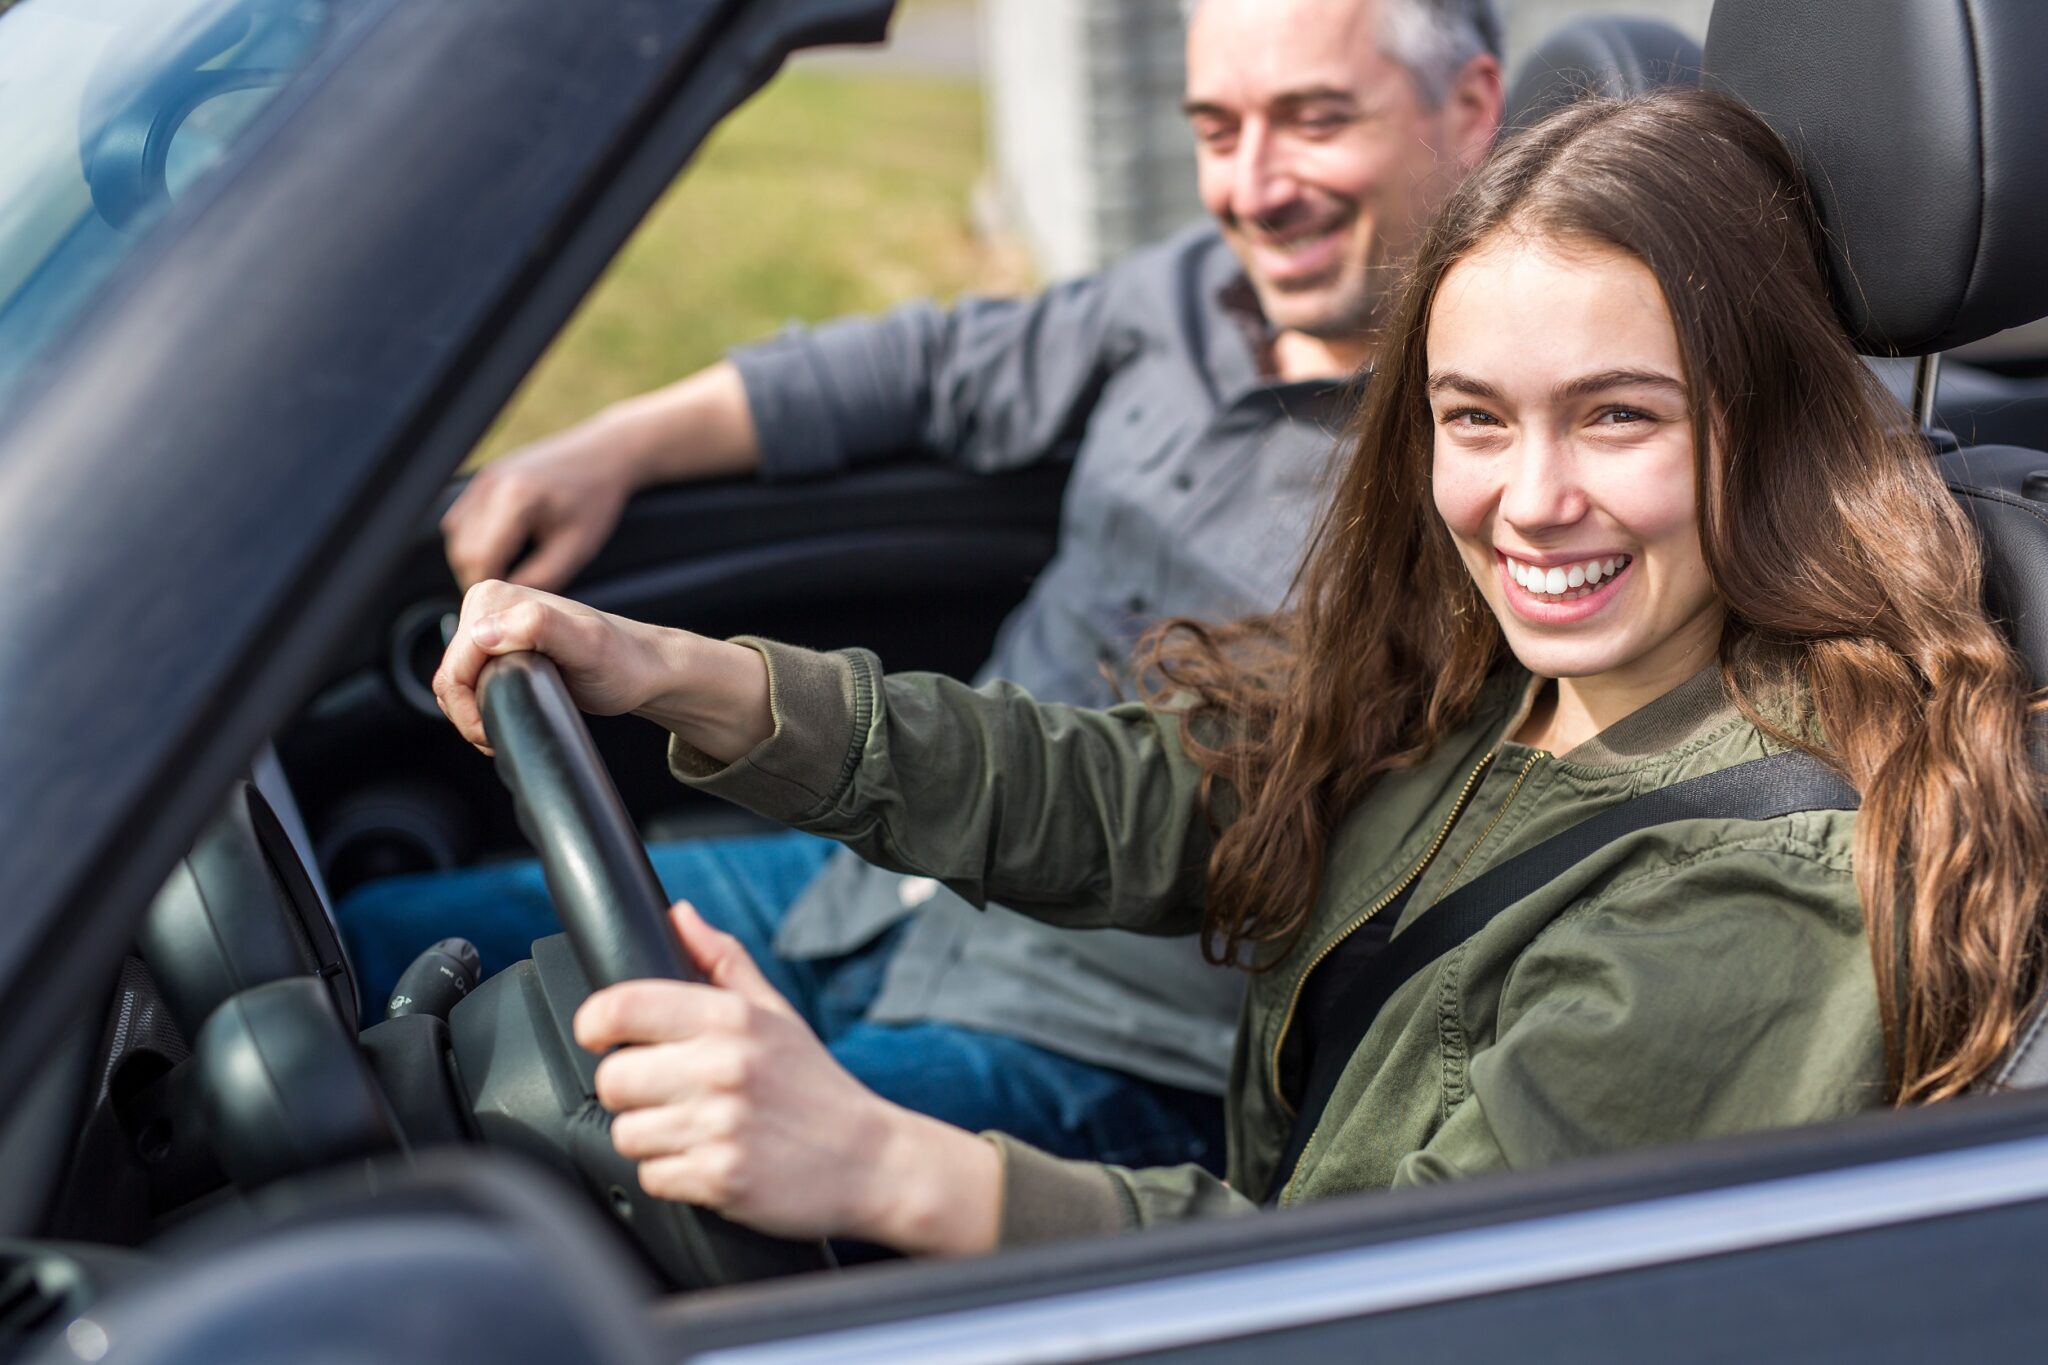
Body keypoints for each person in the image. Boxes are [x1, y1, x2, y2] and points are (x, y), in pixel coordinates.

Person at [431, 86, 2048, 1255]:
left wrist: (883, 1170)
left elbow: (1389, 1294)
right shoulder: (1493, 674)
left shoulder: (1750, 884)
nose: (1525, 498)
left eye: (1615, 416)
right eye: (1472, 417)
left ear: (1757, 432)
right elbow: (1138, 794)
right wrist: (681, 678)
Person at [348, 0, 1505, 1171]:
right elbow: (923, 367)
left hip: (1087, 1031)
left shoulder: (1482, 478)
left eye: (1312, 122)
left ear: (1466, 109)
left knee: (567, 1166)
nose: (1252, 188)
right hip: (869, 883)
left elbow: (1146, 807)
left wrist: (691, 678)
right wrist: (611, 448)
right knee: (366, 953)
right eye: (1215, 130)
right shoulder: (1187, 294)